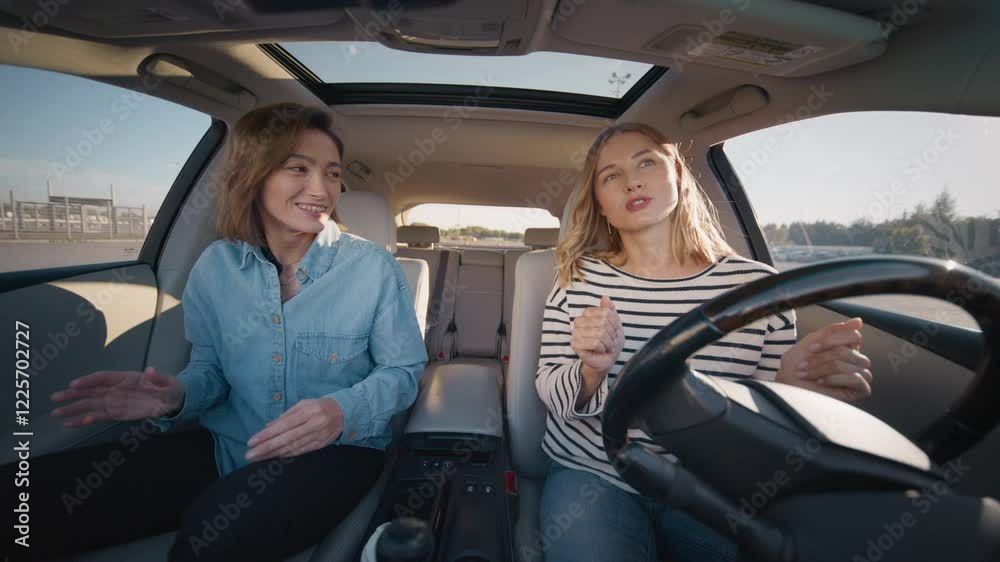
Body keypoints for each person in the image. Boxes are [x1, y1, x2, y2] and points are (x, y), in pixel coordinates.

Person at [27, 103, 428, 561]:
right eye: (298, 168)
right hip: (227, 444)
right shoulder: (215, 266)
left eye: (332, 174)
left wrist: (342, 410)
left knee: (212, 538)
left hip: (337, 452)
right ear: (253, 174)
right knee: (35, 496)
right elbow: (212, 371)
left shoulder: (372, 268)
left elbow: (403, 371)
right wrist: (176, 396)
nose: (321, 189)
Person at [535, 122, 873, 562]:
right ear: (600, 203)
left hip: (712, 483)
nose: (632, 181)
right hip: (592, 472)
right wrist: (590, 370)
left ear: (677, 174)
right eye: (611, 175)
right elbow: (550, 392)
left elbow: (766, 425)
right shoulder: (578, 279)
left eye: (646, 163)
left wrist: (790, 390)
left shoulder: (757, 288)